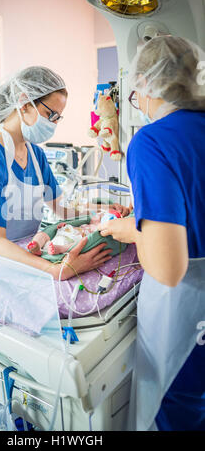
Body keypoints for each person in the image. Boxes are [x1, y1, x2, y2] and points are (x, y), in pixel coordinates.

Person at [0, 65, 129, 430]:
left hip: (29, 257)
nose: (54, 123)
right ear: (24, 103)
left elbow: (57, 208)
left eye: (58, 116)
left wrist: (102, 211)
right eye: (51, 114)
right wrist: (58, 269)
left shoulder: (34, 153)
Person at [97, 36, 205, 431]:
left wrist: (131, 228)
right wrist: (152, 214)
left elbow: (167, 268)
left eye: (134, 93)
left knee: (179, 412)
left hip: (189, 317)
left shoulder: (152, 142)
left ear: (144, 83)